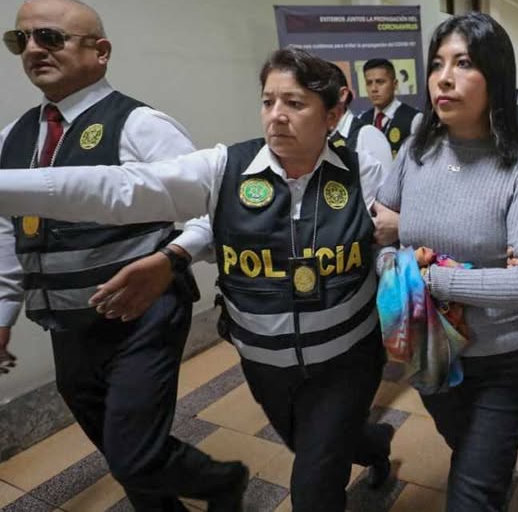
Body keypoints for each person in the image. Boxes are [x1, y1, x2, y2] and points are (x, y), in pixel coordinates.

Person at [0, 48, 388, 512]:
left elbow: (396, 237)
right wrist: (173, 255)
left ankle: (349, 446)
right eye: (269, 102)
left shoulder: (362, 170)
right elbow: (120, 189)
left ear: (332, 115)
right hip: (266, 363)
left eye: (295, 103)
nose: (277, 116)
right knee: (316, 441)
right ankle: (375, 444)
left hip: (347, 359)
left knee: (314, 483)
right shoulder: (226, 167)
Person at [0, 0, 247, 511]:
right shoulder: (12, 139)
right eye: (21, 39)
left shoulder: (139, 124)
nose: (33, 49)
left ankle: (223, 481)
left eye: (50, 37)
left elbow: (211, 208)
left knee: (134, 453)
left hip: (144, 314)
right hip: (69, 322)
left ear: (101, 51)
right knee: (118, 449)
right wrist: (3, 314)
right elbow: (7, 233)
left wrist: (170, 260)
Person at [374, 12, 518, 511]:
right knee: (469, 453)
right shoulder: (415, 153)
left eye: (463, 63)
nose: (444, 78)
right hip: (426, 347)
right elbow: (378, 233)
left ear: (495, 77)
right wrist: (398, 263)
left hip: (500, 361)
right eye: (437, 64)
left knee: (472, 493)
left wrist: (428, 277)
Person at [329, 63, 393, 166]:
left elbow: (387, 176)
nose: (374, 89)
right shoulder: (317, 137)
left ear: (342, 94)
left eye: (317, 94)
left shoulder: (368, 136)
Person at [359, 58, 423, 159]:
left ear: (395, 84)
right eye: (369, 83)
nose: (374, 89)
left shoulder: (414, 119)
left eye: (380, 82)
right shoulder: (361, 120)